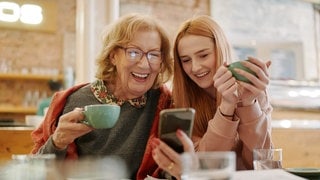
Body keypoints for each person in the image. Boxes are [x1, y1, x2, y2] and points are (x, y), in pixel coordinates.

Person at [30, 13, 174, 179]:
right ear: (113, 56)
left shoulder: (164, 103)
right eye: (134, 52)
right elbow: (35, 173)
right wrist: (57, 142)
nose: (144, 64)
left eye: (154, 54)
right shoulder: (73, 101)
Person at [151, 15, 273, 179]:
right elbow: (203, 168)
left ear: (221, 49)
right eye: (186, 60)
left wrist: (248, 103)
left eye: (203, 55)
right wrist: (227, 107)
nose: (195, 67)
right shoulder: (181, 101)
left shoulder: (254, 91)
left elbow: (262, 163)